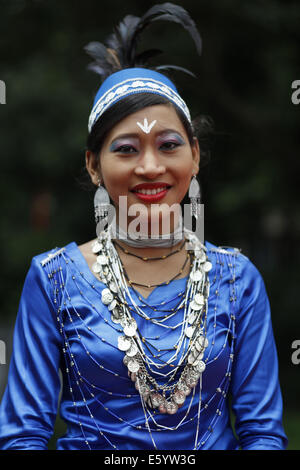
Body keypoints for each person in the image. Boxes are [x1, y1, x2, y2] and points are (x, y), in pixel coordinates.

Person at [0, 3, 287, 450]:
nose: (151, 166)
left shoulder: (237, 280)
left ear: (194, 155)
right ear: (95, 166)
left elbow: (263, 433)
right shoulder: (54, 279)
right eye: (127, 149)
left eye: (168, 145)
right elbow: (23, 436)